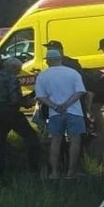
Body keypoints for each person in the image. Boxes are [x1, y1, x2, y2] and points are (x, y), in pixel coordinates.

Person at [34, 48, 86, 180]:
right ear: (60, 59)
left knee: (55, 141)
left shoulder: (43, 76)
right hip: (74, 112)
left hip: (54, 114)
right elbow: (80, 92)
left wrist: (55, 106)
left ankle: (54, 173)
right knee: (75, 141)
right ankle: (71, 172)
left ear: (48, 61)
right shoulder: (73, 73)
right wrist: (66, 105)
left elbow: (40, 96)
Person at [0, 58, 42, 177]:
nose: (19, 72)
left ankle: (2, 172)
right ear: (13, 69)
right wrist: (27, 103)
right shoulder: (12, 79)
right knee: (31, 137)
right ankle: (34, 168)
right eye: (18, 70)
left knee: (1, 141)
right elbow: (14, 100)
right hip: (11, 113)